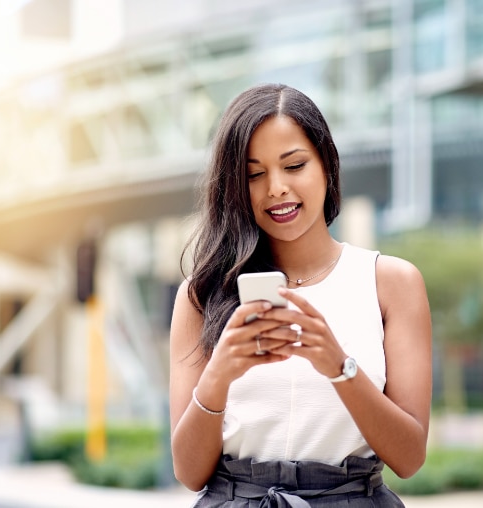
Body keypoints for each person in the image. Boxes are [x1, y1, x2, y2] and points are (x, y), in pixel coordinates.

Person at [169, 83, 432, 507]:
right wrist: (219, 375)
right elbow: (188, 471)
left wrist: (338, 365)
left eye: (294, 165)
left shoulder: (391, 283)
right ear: (234, 187)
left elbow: (409, 456)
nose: (276, 188)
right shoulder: (202, 295)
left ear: (327, 165)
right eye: (254, 174)